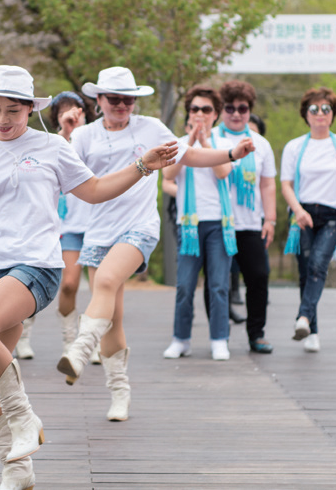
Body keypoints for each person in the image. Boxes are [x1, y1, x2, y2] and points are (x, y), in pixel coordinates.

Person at [0, 64, 179, 490]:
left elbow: (93, 191)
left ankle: (25, 417)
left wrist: (142, 166)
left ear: (30, 109)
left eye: (13, 111)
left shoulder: (52, 147)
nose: (2, 119)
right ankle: (16, 469)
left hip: (38, 265)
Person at [56, 68, 255, 422]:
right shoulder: (85, 135)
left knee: (104, 282)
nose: (122, 105)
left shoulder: (149, 128)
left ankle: (81, 347)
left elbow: (188, 156)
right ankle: (120, 392)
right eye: (114, 98)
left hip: (139, 228)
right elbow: (61, 170)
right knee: (113, 319)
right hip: (99, 230)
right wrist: (66, 134)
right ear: (98, 100)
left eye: (128, 99)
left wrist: (231, 154)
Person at [281, 87, 336, 353]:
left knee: (318, 263)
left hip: (333, 215)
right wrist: (297, 210)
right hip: (303, 213)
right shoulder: (294, 146)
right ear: (305, 114)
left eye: (325, 109)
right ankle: (311, 331)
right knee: (306, 271)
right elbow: (286, 184)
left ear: (333, 114)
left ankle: (303, 318)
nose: (320, 114)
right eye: (314, 109)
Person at [14, 91, 95, 360]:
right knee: (68, 284)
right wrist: (66, 131)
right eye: (64, 113)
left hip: (98, 224)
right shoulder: (51, 143)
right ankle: (52, 338)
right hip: (65, 226)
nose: (72, 116)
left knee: (102, 287)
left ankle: (91, 342)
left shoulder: (96, 138)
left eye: (77, 111)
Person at [163, 86, 236, 361]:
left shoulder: (225, 144)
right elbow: (168, 175)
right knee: (184, 286)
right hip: (189, 224)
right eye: (195, 109)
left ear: (216, 114)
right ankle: (180, 339)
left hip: (219, 223)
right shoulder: (179, 142)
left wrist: (205, 144)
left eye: (206, 109)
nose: (200, 114)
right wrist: (189, 143)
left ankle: (219, 339)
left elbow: (222, 172)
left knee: (218, 285)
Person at [214, 80, 277, 354]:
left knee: (259, 277)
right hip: (218, 222)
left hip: (251, 224)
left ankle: (256, 333)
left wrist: (270, 219)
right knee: (217, 282)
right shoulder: (213, 140)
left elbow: (267, 184)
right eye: (230, 108)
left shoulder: (260, 144)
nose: (237, 114)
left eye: (243, 108)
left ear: (250, 110)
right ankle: (219, 336)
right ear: (221, 109)